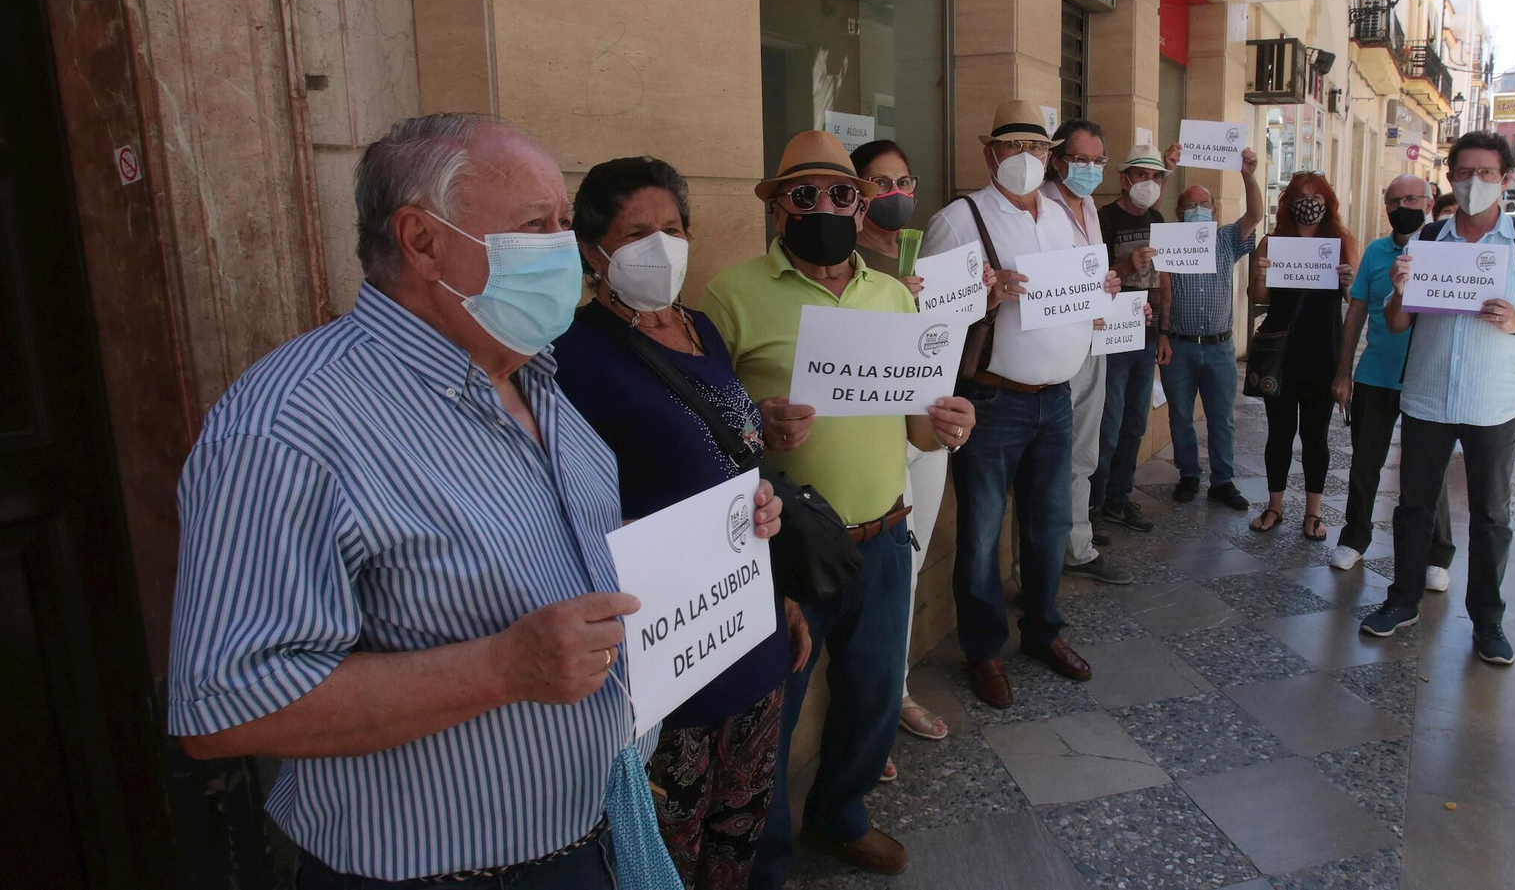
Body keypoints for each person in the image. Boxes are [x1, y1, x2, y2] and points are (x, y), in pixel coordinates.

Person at [166, 114, 780, 889]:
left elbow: (552, 547)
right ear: (422, 241)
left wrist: (704, 539)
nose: (567, 249)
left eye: (564, 223)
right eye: (538, 226)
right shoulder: (288, 428)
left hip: (600, 827)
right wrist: (500, 667)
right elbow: (226, 705)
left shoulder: (537, 375)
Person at [705, 130, 976, 882]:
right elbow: (703, 423)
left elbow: (918, 420)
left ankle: (842, 813)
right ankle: (767, 855)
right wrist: (754, 423)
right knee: (772, 712)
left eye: (841, 194)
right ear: (778, 208)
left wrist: (949, 423)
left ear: (862, 209)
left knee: (873, 695)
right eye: (805, 195)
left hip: (886, 536)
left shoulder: (893, 294)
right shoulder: (731, 295)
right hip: (785, 546)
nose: (824, 206)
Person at [552, 156, 808, 890]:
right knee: (671, 850)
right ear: (592, 251)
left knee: (740, 828)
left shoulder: (700, 329)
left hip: (750, 630)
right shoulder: (572, 356)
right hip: (668, 657)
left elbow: (738, 471)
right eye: (635, 233)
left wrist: (782, 592)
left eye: (671, 228)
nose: (658, 246)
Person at [922, 100, 1117, 712]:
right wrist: (983, 298)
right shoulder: (959, 220)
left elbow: (1077, 293)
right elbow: (926, 318)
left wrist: (1101, 289)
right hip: (992, 400)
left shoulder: (1062, 217)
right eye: (1014, 148)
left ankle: (1042, 631)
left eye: (1037, 150)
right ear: (991, 155)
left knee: (1047, 523)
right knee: (981, 533)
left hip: (1055, 399)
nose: (1027, 160)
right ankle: (983, 649)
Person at [1360, 131, 1515, 664]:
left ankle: (1488, 621)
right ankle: (1402, 599)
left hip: (1495, 403)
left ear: (1506, 179)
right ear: (1449, 177)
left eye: (1486, 173)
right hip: (1428, 398)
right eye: (1464, 173)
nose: (1474, 183)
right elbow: (1396, 321)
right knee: (1412, 508)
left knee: (1492, 516)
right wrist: (1402, 293)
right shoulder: (1428, 240)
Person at [849, 139, 954, 775]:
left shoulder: (923, 251)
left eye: (903, 181)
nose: (895, 194)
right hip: (874, 433)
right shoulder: (841, 261)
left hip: (929, 423)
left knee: (909, 570)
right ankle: (871, 711)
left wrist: (985, 299)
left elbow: (950, 330)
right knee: (877, 578)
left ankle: (898, 689)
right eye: (878, 183)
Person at [1329, 174, 1454, 592]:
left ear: (1429, 201)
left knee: (1428, 471)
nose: (1404, 206)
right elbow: (1356, 314)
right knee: (1365, 462)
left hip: (1426, 378)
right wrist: (1344, 373)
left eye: (1412, 198)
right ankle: (1355, 536)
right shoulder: (1376, 253)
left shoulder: (1448, 252)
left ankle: (1438, 554)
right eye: (1395, 200)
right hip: (1377, 374)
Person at [1040, 118, 1134, 585]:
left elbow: (1088, 273)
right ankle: (1039, 558)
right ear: (1057, 161)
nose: (1091, 169)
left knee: (1084, 453)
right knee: (1049, 459)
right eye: (1081, 160)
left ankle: (1077, 543)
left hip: (1093, 344)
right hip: (1054, 351)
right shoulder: (1039, 207)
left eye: (1098, 161)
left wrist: (1108, 286)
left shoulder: (1090, 207)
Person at [1246, 172, 1357, 539]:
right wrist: (1260, 273)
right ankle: (1274, 506)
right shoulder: (1273, 242)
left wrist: (1348, 283)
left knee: (1316, 435)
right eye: (1301, 196)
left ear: (1328, 202)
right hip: (1281, 351)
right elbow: (1257, 297)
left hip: (1323, 350)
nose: (1309, 202)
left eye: (1316, 196)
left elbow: (1353, 301)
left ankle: (1313, 513)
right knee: (1278, 433)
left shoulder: (1340, 242)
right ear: (1289, 202)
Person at [1157, 142, 1263, 511]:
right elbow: (1151, 211)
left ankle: (1223, 481)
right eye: (1190, 206)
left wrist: (1248, 175)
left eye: (1205, 205)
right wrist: (1167, 171)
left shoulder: (1225, 240)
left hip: (1219, 347)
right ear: (1179, 212)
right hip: (1180, 345)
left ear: (1215, 210)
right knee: (1180, 417)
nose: (1198, 210)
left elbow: (1255, 214)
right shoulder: (1167, 241)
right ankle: (1188, 475)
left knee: (1222, 420)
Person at [1092, 145, 1174, 535]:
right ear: (1125, 179)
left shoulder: (1158, 218)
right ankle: (1093, 503)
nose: (1149, 183)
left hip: (1143, 336)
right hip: (1110, 336)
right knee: (1107, 427)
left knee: (1135, 423)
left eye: (1156, 176)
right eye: (1142, 175)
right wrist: (1125, 266)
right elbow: (1090, 276)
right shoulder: (1104, 218)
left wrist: (1162, 331)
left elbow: (1163, 281)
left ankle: (1118, 498)